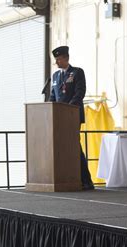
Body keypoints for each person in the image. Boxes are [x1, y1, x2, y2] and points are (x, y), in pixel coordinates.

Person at [49, 46, 94, 190]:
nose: (56, 62)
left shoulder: (77, 72)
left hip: (71, 116)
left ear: (66, 58)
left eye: (59, 59)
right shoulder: (55, 76)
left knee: (74, 147)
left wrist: (67, 110)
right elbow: (52, 96)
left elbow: (79, 93)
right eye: (55, 59)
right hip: (57, 119)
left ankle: (86, 180)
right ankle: (66, 180)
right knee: (61, 149)